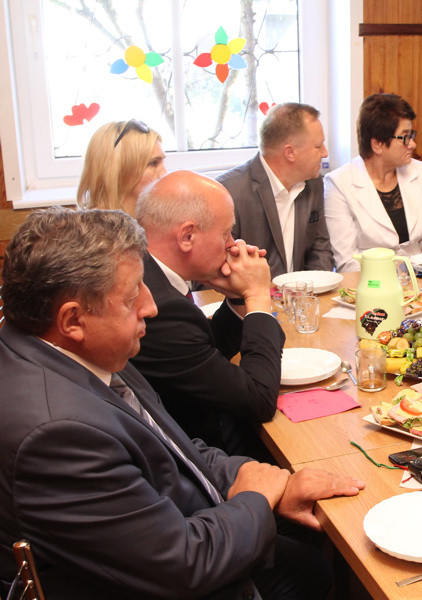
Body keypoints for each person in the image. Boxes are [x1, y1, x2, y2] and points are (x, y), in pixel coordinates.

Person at [0, 207, 364, 599]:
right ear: (72, 320)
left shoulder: (75, 351)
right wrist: (257, 498)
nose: (150, 306)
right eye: (131, 297)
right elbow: (183, 566)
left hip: (170, 528)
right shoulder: (56, 434)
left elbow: (175, 448)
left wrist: (275, 483)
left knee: (310, 562)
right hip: (170, 575)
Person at [131, 171, 284, 460]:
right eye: (226, 232)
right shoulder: (158, 307)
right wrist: (258, 296)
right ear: (187, 237)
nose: (232, 243)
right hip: (200, 453)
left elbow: (201, 354)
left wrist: (238, 298)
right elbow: (259, 401)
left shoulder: (149, 271)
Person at [324, 93, 422, 272]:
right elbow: (348, 262)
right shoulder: (338, 184)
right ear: (377, 145)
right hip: (371, 287)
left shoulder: (420, 171)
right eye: (405, 137)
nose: (412, 144)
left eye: (411, 134)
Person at [217, 102, 334, 277]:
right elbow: (217, 270)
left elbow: (320, 251)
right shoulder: (228, 192)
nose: (325, 153)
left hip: (302, 298)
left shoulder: (314, 183)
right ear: (290, 152)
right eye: (318, 146)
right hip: (249, 299)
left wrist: (309, 291)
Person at [76, 119, 167, 214]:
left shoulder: (154, 220)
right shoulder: (94, 227)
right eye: (153, 163)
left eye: (162, 162)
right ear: (119, 169)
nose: (164, 174)